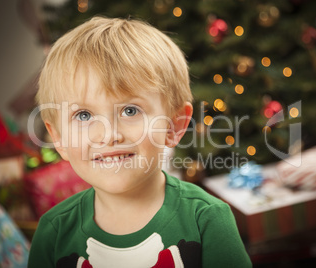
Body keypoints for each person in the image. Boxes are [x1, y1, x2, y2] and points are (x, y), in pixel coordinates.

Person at [28, 16, 251, 268]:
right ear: (58, 138)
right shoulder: (53, 233)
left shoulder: (207, 219)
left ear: (174, 125)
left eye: (130, 111)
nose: (109, 134)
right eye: (84, 115)